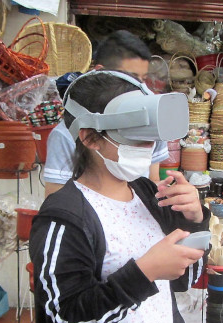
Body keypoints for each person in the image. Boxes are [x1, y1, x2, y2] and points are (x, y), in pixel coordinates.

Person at [29, 70, 208, 323]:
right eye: (134, 140)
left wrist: (194, 220)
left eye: (149, 141)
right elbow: (66, 322)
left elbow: (185, 278)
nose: (146, 151)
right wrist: (143, 274)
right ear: (90, 138)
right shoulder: (64, 218)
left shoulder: (148, 194)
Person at [43, 30, 169, 197]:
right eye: (129, 78)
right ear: (101, 73)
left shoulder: (152, 125)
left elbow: (153, 181)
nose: (138, 88)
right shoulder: (65, 135)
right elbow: (55, 199)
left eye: (141, 79)